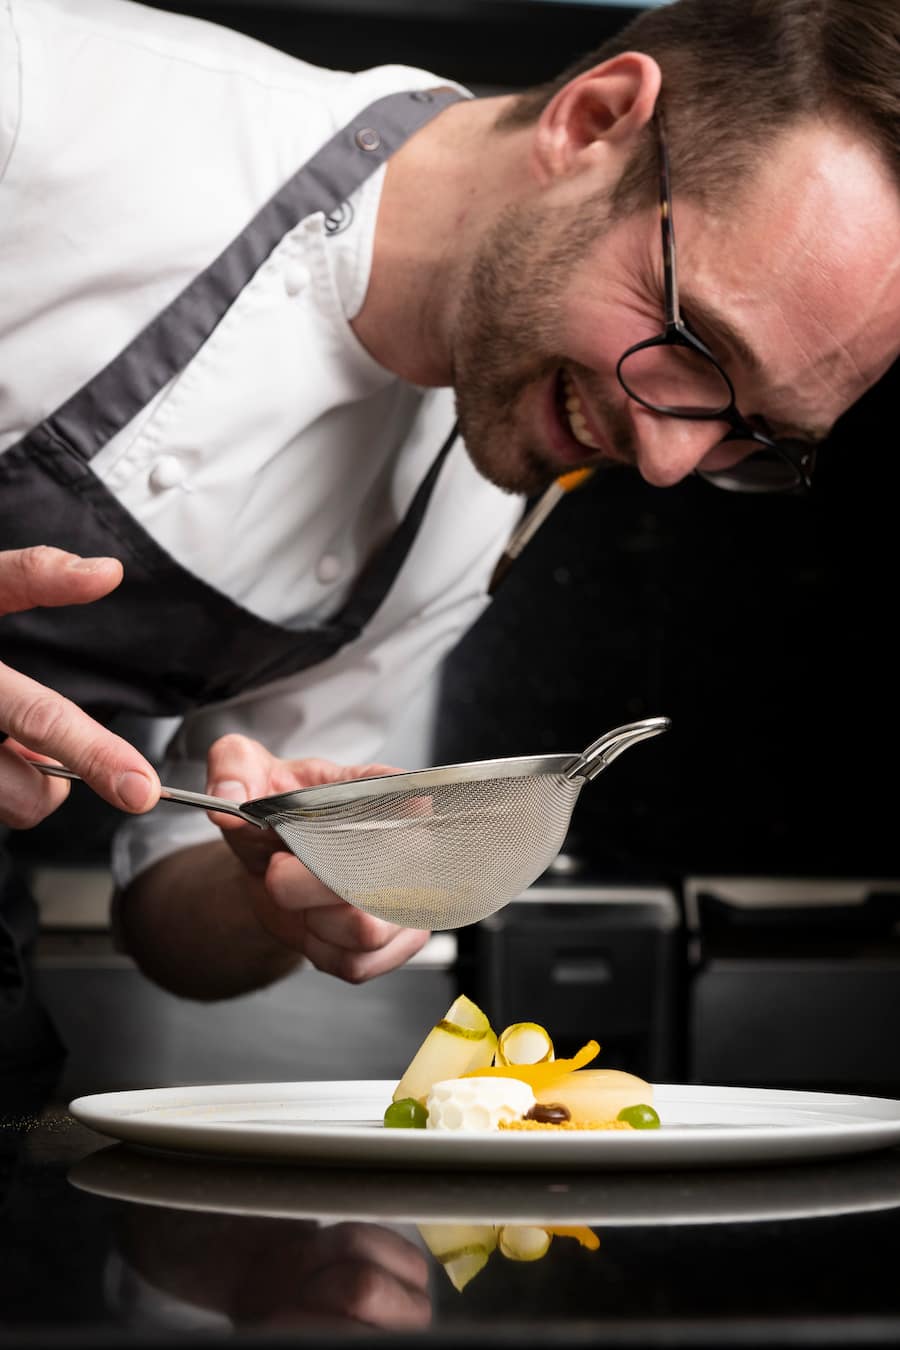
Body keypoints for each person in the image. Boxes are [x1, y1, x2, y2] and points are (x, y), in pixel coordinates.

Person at [2, 0, 899, 1062]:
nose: (666, 465)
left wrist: (287, 891)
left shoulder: (470, 508)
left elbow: (164, 919)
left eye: (752, 435)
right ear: (594, 119)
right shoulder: (45, 104)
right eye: (693, 342)